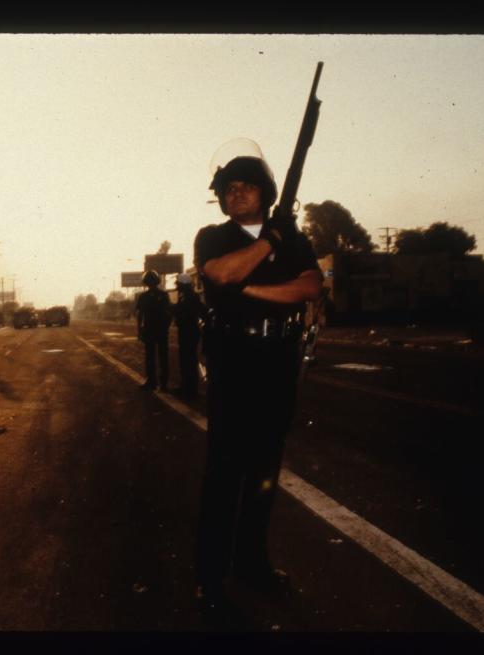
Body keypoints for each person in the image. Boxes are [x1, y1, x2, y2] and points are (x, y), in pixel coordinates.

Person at [193, 138, 324, 609]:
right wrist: (269, 244)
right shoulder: (214, 236)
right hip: (233, 357)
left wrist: (254, 291)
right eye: (229, 189)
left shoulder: (296, 238)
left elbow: (311, 287)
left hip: (278, 357)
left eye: (247, 187)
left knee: (265, 469)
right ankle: (210, 577)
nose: (236, 194)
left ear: (266, 192)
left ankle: (251, 564)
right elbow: (222, 274)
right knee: (224, 471)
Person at [135, 270, 172, 391]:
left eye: (151, 281)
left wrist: (140, 330)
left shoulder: (147, 296)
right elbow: (140, 315)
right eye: (149, 281)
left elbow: (169, 313)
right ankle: (157, 382)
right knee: (156, 357)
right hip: (153, 330)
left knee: (159, 357)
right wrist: (140, 329)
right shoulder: (160, 295)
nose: (150, 283)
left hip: (155, 330)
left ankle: (159, 383)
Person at [171, 273, 206, 400]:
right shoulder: (185, 296)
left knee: (189, 361)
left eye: (179, 284)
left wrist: (175, 310)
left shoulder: (192, 297)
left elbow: (191, 313)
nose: (177, 286)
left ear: (184, 285)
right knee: (185, 361)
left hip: (190, 332)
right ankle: (186, 387)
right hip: (186, 332)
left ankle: (190, 390)